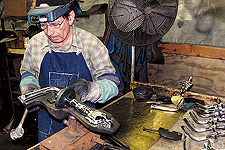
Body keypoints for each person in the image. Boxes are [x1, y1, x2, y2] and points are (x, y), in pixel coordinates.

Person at [19, 0, 120, 142]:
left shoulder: (90, 44)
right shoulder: (35, 43)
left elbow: (112, 84)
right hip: (48, 124)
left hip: (84, 125)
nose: (49, 32)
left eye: (55, 24)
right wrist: (29, 87)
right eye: (44, 26)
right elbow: (28, 72)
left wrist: (91, 90)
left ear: (70, 17)